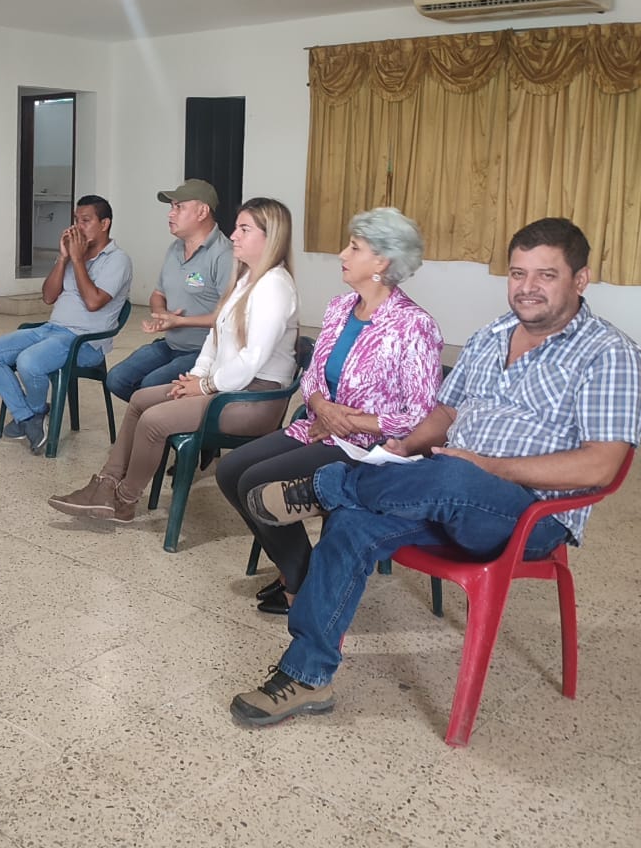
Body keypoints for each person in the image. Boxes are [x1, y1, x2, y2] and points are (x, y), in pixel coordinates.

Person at [230, 218, 640, 728]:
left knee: (453, 476)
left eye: (546, 275)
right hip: (444, 488)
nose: (527, 287)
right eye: (518, 273)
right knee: (354, 522)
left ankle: (325, 487)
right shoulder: (493, 334)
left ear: (580, 280)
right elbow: (445, 412)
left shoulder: (609, 353)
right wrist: (404, 446)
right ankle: (307, 676)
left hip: (528, 515)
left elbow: (602, 464)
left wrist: (484, 467)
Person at [215, 207, 442, 615]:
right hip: (320, 426)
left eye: (354, 248)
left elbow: (420, 415)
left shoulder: (414, 326)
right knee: (231, 471)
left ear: (382, 262)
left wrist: (348, 421)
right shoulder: (340, 308)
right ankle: (302, 572)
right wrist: (321, 406)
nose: (342, 254)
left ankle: (300, 583)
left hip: (370, 448)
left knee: (255, 481)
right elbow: (312, 376)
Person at [49, 198, 299, 524]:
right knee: (140, 399)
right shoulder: (246, 279)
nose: (234, 235)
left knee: (154, 421)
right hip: (229, 386)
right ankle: (106, 483)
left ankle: (124, 501)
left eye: (244, 229)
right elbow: (216, 338)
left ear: (271, 237)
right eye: (236, 227)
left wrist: (205, 386)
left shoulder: (274, 287)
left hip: (254, 398)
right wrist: (196, 376)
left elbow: (252, 359)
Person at [0, 195, 133, 454]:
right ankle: (30, 417)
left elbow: (93, 302)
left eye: (85, 221)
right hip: (51, 330)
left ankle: (32, 414)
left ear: (104, 223)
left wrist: (77, 259)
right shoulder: (72, 255)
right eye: (76, 220)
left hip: (85, 342)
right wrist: (63, 259)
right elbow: (48, 296)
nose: (77, 227)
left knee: (29, 361)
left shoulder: (118, 260)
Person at [106, 179, 234, 403]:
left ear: (202, 212)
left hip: (204, 352)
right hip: (170, 344)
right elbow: (158, 295)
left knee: (150, 386)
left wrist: (181, 322)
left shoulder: (224, 255)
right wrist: (162, 315)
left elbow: (230, 316)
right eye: (171, 207)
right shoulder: (175, 249)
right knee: (117, 379)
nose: (170, 214)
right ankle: (159, 416)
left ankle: (166, 418)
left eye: (179, 207)